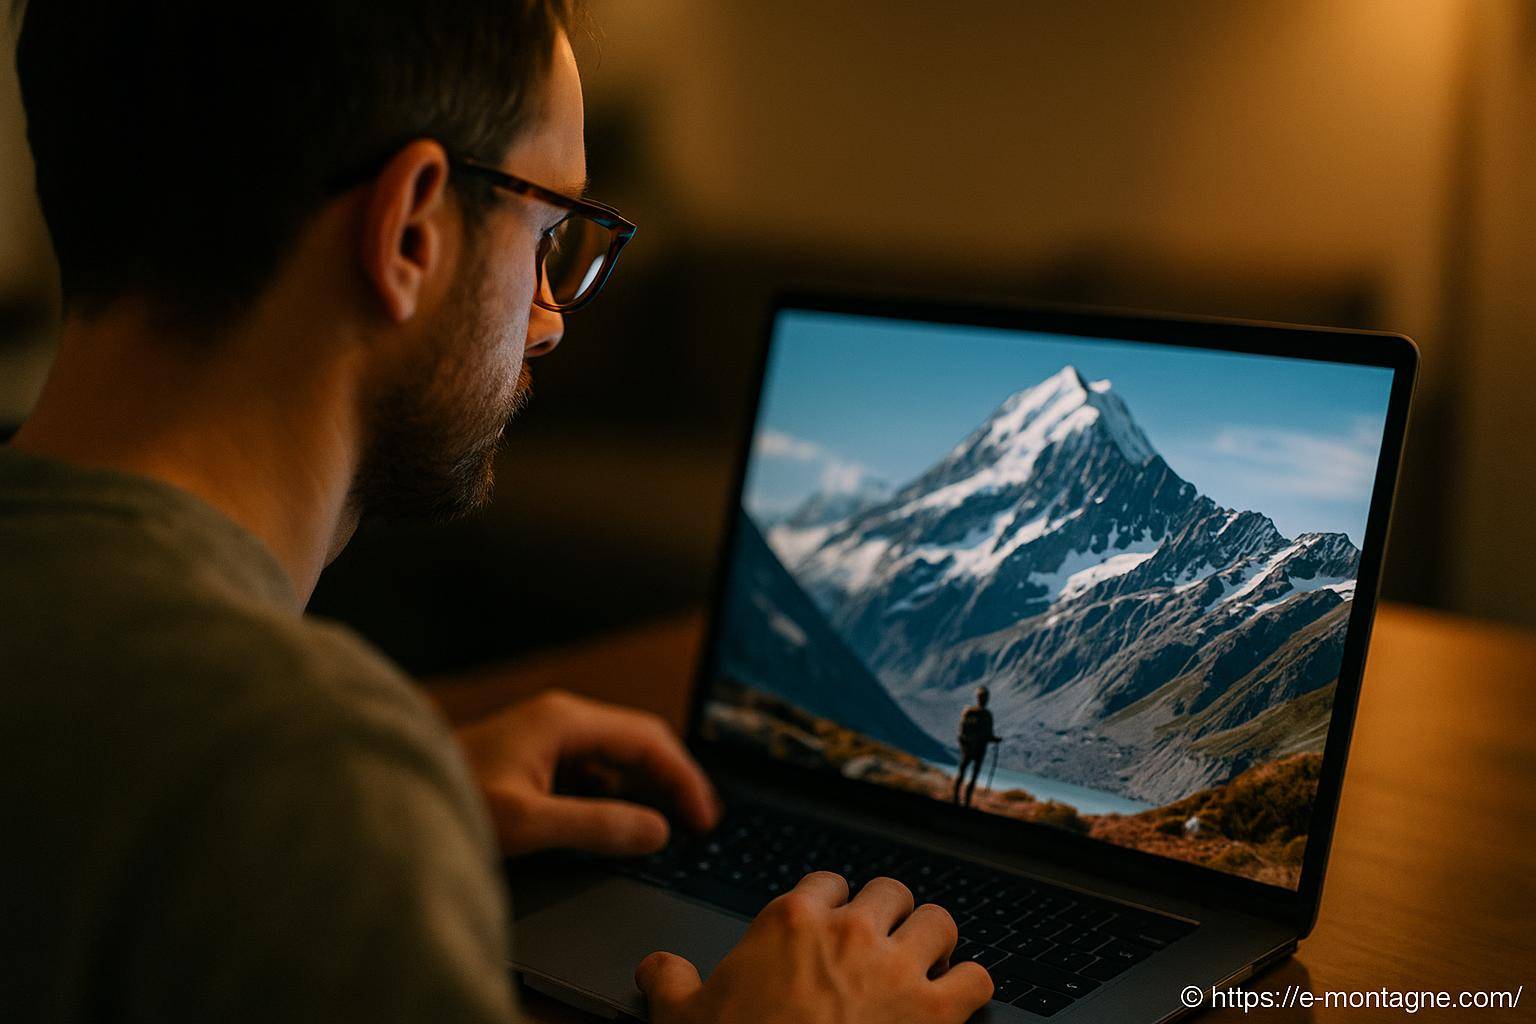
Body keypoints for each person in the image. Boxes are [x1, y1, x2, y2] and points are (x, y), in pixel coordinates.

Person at [0, 2, 994, 1023]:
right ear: (410, 229)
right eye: (551, 232)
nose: (553, 322)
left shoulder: (259, 790)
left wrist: (379, 827)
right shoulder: (290, 768)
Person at [953, 685, 1003, 807]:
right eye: (983, 697)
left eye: (985, 697)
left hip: (976, 749)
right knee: (965, 774)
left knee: (970, 775)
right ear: (979, 698)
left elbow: (988, 734)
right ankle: (958, 799)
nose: (984, 699)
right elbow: (963, 732)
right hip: (972, 749)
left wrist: (995, 739)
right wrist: (964, 745)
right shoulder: (973, 713)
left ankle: (964, 800)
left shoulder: (983, 715)